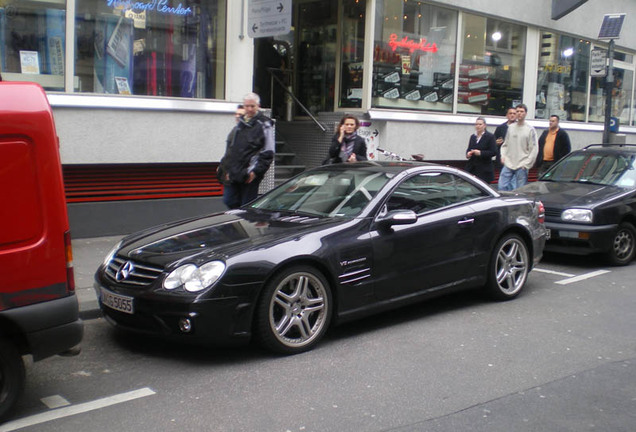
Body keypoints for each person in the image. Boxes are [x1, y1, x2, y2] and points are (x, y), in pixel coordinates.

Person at [218, 93, 275, 209]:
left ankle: (246, 225)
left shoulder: (264, 124)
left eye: (252, 106)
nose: (249, 109)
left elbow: (268, 152)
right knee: (229, 201)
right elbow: (232, 149)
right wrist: (225, 167)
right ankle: (236, 225)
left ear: (258, 106)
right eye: (247, 106)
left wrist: (255, 172)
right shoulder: (240, 124)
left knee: (246, 206)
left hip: (249, 174)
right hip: (234, 171)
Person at [498, 104, 538, 191]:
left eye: (522, 111)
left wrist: (527, 164)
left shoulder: (530, 130)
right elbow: (505, 145)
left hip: (522, 165)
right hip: (508, 163)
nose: (519, 113)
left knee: (520, 190)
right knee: (501, 187)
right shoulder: (510, 128)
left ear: (526, 113)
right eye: (517, 111)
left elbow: (533, 149)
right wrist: (503, 156)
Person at [465, 117, 497, 183]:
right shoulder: (473, 136)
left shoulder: (490, 136)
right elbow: (469, 148)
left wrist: (480, 153)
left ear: (484, 125)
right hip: (473, 168)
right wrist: (468, 154)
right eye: (476, 124)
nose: (478, 126)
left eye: (480, 124)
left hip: (484, 169)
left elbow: (493, 152)